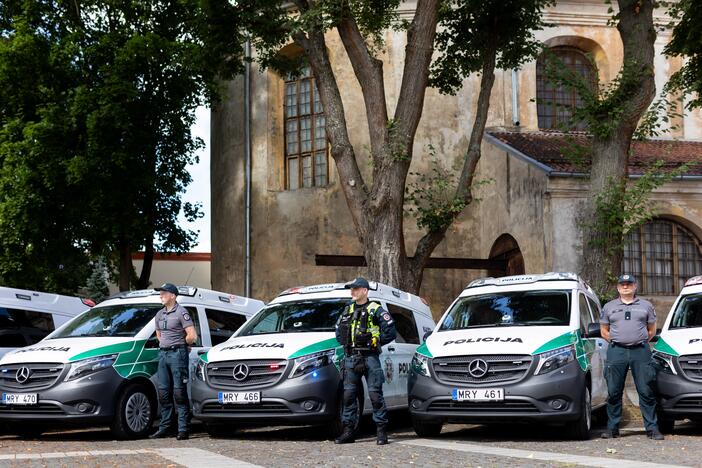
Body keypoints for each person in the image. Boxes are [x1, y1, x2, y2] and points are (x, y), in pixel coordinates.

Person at [600, 274, 663, 440]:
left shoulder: (646, 306)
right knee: (613, 391)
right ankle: (612, 429)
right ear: (618, 287)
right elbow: (604, 330)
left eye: (629, 284)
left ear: (635, 286)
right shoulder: (609, 306)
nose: (625, 286)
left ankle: (652, 429)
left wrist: (638, 341)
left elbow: (652, 330)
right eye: (622, 284)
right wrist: (615, 340)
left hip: (640, 351)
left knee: (646, 390)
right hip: (616, 351)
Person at [334, 277, 396, 445]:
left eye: (355, 289)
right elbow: (338, 331)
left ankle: (381, 432)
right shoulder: (347, 309)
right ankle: (348, 432)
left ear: (365, 291)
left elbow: (391, 332)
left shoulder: (375, 309)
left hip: (370, 358)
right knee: (348, 396)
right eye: (351, 289)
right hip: (351, 358)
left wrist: (375, 342)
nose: (352, 292)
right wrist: (347, 343)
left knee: (375, 395)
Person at [149, 283, 198, 440]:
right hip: (163, 355)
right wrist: (166, 344)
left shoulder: (181, 312)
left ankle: (183, 429)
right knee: (163, 393)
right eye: (160, 293)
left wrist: (183, 345)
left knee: (179, 393)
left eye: (164, 293)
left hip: (178, 354)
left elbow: (192, 335)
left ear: (173, 296)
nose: (161, 295)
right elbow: (159, 334)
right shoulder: (159, 314)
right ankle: (165, 428)